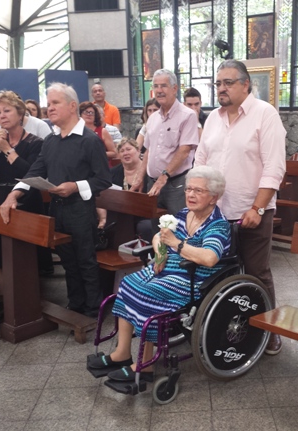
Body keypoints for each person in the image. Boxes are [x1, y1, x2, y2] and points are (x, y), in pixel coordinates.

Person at [87, 166, 231, 381]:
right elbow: (159, 236)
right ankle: (122, 352)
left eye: (198, 191)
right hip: (168, 268)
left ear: (214, 197)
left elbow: (209, 258)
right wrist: (160, 252)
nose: (190, 194)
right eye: (189, 189)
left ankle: (145, 365)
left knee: (146, 292)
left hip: (192, 278)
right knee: (128, 284)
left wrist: (176, 244)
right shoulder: (184, 214)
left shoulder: (217, 225)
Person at [196, 59, 286, 355]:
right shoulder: (213, 118)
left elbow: (274, 167)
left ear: (246, 84)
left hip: (252, 210)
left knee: (257, 274)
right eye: (218, 83)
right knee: (219, 274)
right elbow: (201, 160)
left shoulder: (265, 114)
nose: (221, 88)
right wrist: (198, 200)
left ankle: (269, 332)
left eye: (228, 83)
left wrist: (258, 208)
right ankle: (223, 329)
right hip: (217, 213)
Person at [0, 82, 112, 318]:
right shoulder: (51, 141)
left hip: (81, 209)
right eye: (48, 103)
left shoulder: (89, 140)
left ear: (72, 106)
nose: (49, 108)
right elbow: (35, 170)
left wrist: (75, 186)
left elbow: (103, 179)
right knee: (68, 261)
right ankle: (76, 305)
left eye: (55, 103)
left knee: (85, 261)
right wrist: (14, 194)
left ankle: (93, 311)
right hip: (57, 209)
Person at [0, 91, 48, 294]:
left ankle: (29, 296)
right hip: (0, 196)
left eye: (7, 111)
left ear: (20, 114)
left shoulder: (35, 142)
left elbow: (29, 172)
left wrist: (8, 149)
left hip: (26, 198)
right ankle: (4, 296)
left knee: (26, 250)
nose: (2, 116)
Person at [131, 69, 198, 230]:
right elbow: (149, 150)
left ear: (175, 88)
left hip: (176, 185)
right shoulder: (153, 118)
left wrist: (163, 177)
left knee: (178, 230)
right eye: (156, 86)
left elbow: (184, 150)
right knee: (157, 231)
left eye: (163, 86)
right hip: (153, 185)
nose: (159, 90)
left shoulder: (187, 115)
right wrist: (140, 177)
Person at [99, 138, 152, 242]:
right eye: (122, 151)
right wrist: (103, 218)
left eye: (128, 149)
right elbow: (101, 196)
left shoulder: (150, 172)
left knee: (146, 227)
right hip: (119, 215)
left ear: (138, 151)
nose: (125, 153)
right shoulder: (112, 173)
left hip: (144, 215)